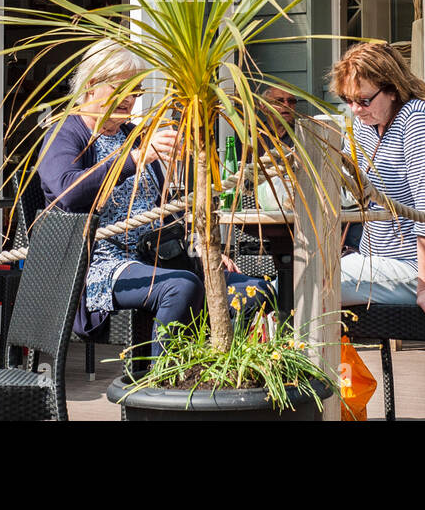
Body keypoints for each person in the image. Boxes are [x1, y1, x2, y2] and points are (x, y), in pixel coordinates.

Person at [38, 39, 271, 357]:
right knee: (181, 287)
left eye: (136, 92)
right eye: (122, 90)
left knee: (258, 290)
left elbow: (163, 213)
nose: (130, 100)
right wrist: (134, 159)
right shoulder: (66, 132)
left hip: (157, 259)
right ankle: (159, 384)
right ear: (92, 84)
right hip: (99, 269)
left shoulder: (132, 135)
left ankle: (220, 371)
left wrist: (201, 248)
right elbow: (69, 192)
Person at [328, 42, 425, 335]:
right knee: (293, 281)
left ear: (392, 89)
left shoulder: (417, 121)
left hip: (420, 271)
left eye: (363, 100)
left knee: (313, 284)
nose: (354, 109)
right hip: (374, 264)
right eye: (347, 100)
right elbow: (349, 190)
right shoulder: (364, 125)